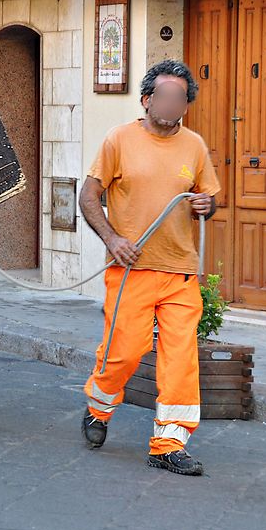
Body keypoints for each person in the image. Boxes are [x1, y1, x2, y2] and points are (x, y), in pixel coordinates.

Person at [77, 59, 220, 476]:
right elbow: (89, 197)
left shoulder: (194, 145)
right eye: (165, 96)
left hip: (179, 271)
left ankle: (168, 443)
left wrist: (205, 205)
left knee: (180, 358)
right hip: (131, 270)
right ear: (146, 99)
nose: (173, 103)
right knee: (124, 353)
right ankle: (99, 406)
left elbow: (209, 199)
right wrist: (112, 240)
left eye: (181, 98)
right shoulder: (118, 140)